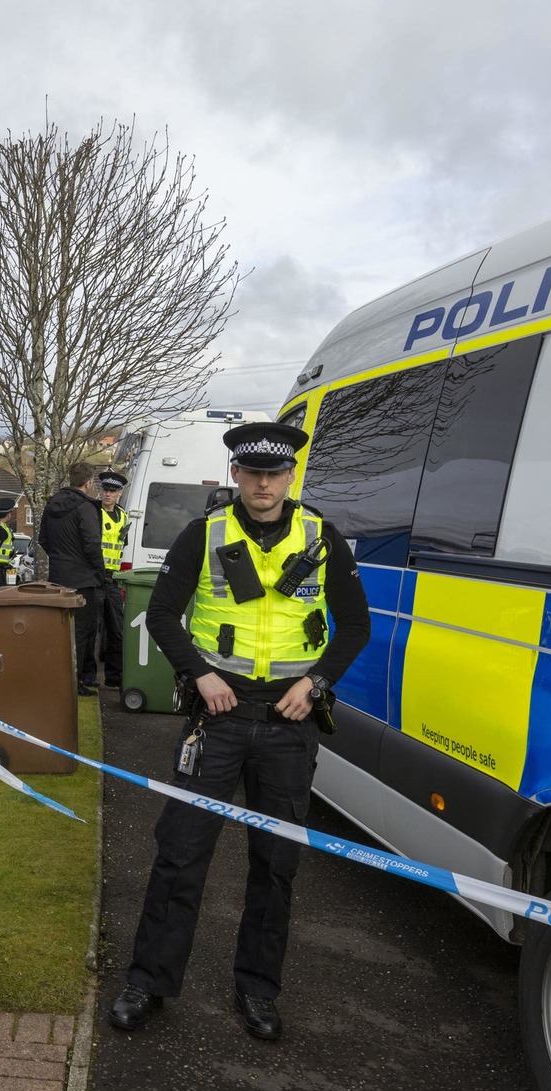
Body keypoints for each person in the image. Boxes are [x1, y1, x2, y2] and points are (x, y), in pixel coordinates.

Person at [110, 421, 370, 1043]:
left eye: (274, 473)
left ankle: (258, 990)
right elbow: (163, 615)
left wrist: (317, 684)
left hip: (288, 720)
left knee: (276, 865)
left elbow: (356, 627)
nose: (263, 483)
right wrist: (198, 675)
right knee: (179, 854)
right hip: (217, 717)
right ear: (236, 476)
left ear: (290, 477)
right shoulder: (203, 535)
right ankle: (148, 981)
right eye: (252, 472)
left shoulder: (322, 538)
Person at [37, 461, 106, 696]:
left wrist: (60, 559)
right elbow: (92, 544)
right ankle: (74, 684)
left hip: (58, 577)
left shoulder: (52, 504)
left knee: (61, 631)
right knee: (82, 633)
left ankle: (63, 677)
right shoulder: (85, 507)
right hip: (84, 580)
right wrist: (100, 571)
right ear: (88, 483)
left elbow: (43, 539)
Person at [96, 470, 130, 688]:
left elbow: (121, 546)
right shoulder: (93, 513)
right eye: (105, 490)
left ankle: (114, 678)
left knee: (116, 630)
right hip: (94, 576)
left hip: (113, 579)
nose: (108, 494)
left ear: (119, 493)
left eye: (112, 491)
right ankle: (87, 676)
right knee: (90, 630)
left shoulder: (124, 516)